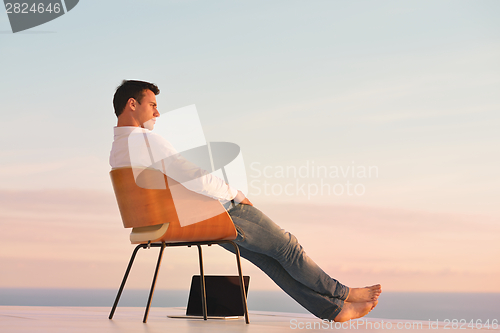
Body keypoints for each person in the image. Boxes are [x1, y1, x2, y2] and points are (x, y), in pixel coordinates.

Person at [109, 80, 381, 322]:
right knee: (288, 247)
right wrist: (235, 193)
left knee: (270, 259)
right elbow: (195, 177)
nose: (157, 113)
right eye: (153, 105)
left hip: (169, 221)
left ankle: (333, 309)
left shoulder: (118, 150)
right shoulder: (146, 140)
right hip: (206, 214)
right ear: (132, 104)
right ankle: (343, 293)